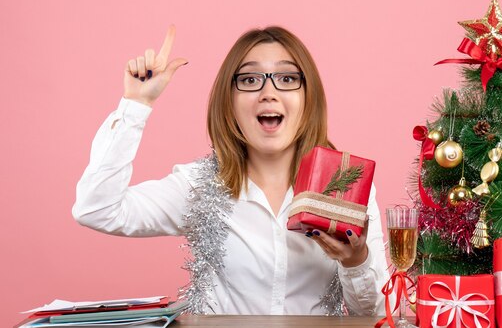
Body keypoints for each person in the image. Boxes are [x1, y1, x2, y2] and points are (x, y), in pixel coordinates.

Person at [73, 25, 388, 316]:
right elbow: (97, 208)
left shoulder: (346, 190)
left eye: (287, 79)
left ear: (309, 98)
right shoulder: (198, 186)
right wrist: (136, 105)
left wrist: (355, 262)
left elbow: (374, 314)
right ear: (230, 100)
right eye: (250, 80)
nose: (269, 92)